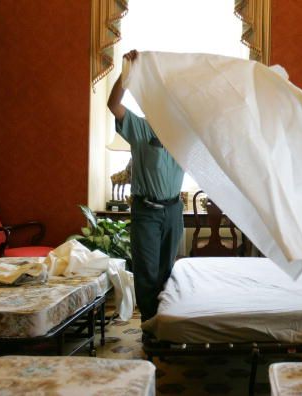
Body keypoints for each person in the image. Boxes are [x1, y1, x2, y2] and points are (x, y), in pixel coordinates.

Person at [107, 49, 185, 323]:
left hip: (174, 211)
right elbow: (113, 104)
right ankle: (150, 327)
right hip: (147, 212)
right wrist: (127, 72)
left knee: (167, 272)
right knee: (147, 272)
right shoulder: (141, 129)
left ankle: (163, 324)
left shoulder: (186, 134)